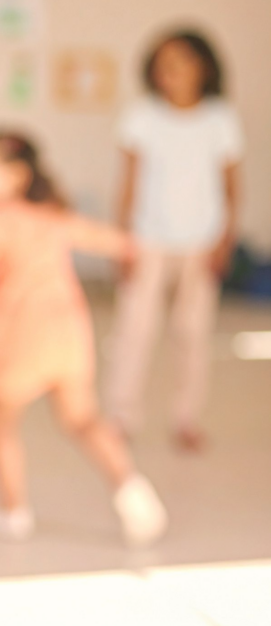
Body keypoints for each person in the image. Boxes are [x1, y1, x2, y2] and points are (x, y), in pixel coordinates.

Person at [0, 130, 167, 546]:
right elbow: (119, 243)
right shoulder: (52, 217)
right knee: (83, 419)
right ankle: (132, 489)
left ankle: (11, 509)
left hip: (18, 337)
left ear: (16, 176)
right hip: (68, 334)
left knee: (1, 424)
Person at [106, 29, 244, 451]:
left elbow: (231, 186)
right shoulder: (141, 118)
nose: (171, 74)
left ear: (203, 68)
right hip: (148, 239)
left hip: (200, 242)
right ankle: (121, 415)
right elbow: (128, 183)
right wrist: (122, 240)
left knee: (192, 333)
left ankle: (186, 417)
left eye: (180, 63)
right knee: (135, 329)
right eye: (163, 66)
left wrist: (225, 239)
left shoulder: (220, 120)